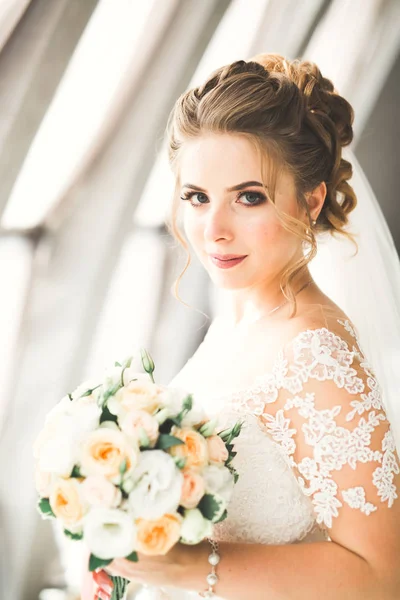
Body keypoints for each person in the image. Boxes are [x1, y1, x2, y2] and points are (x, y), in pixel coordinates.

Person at [83, 54, 400, 600]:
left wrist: (188, 568)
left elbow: (381, 574)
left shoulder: (313, 351)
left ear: (311, 199)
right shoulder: (243, 314)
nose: (214, 230)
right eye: (197, 198)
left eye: (249, 197)